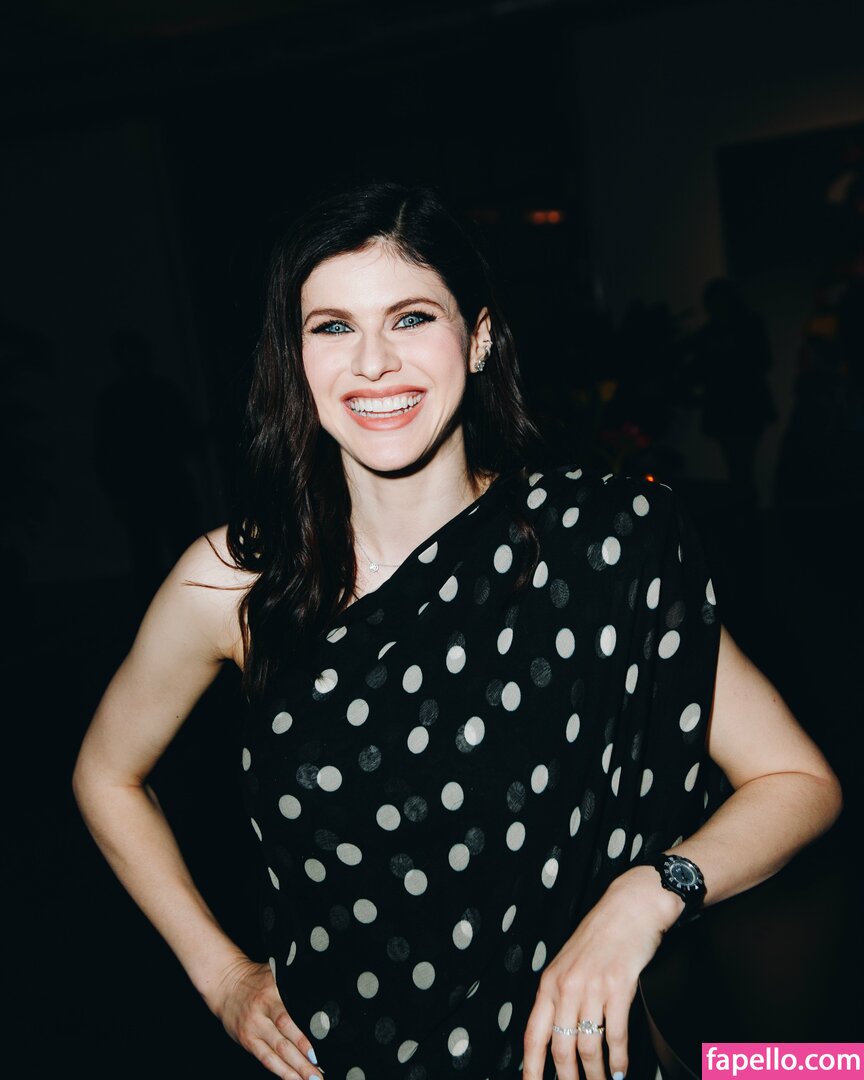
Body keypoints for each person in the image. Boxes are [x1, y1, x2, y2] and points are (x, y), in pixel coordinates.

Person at [73, 182, 842, 1080]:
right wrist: (222, 978)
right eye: (332, 327)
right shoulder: (237, 578)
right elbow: (106, 774)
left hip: (567, 1059)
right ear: (295, 355)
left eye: (410, 318)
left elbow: (799, 782)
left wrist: (648, 895)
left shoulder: (600, 549)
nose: (373, 364)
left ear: (478, 339)